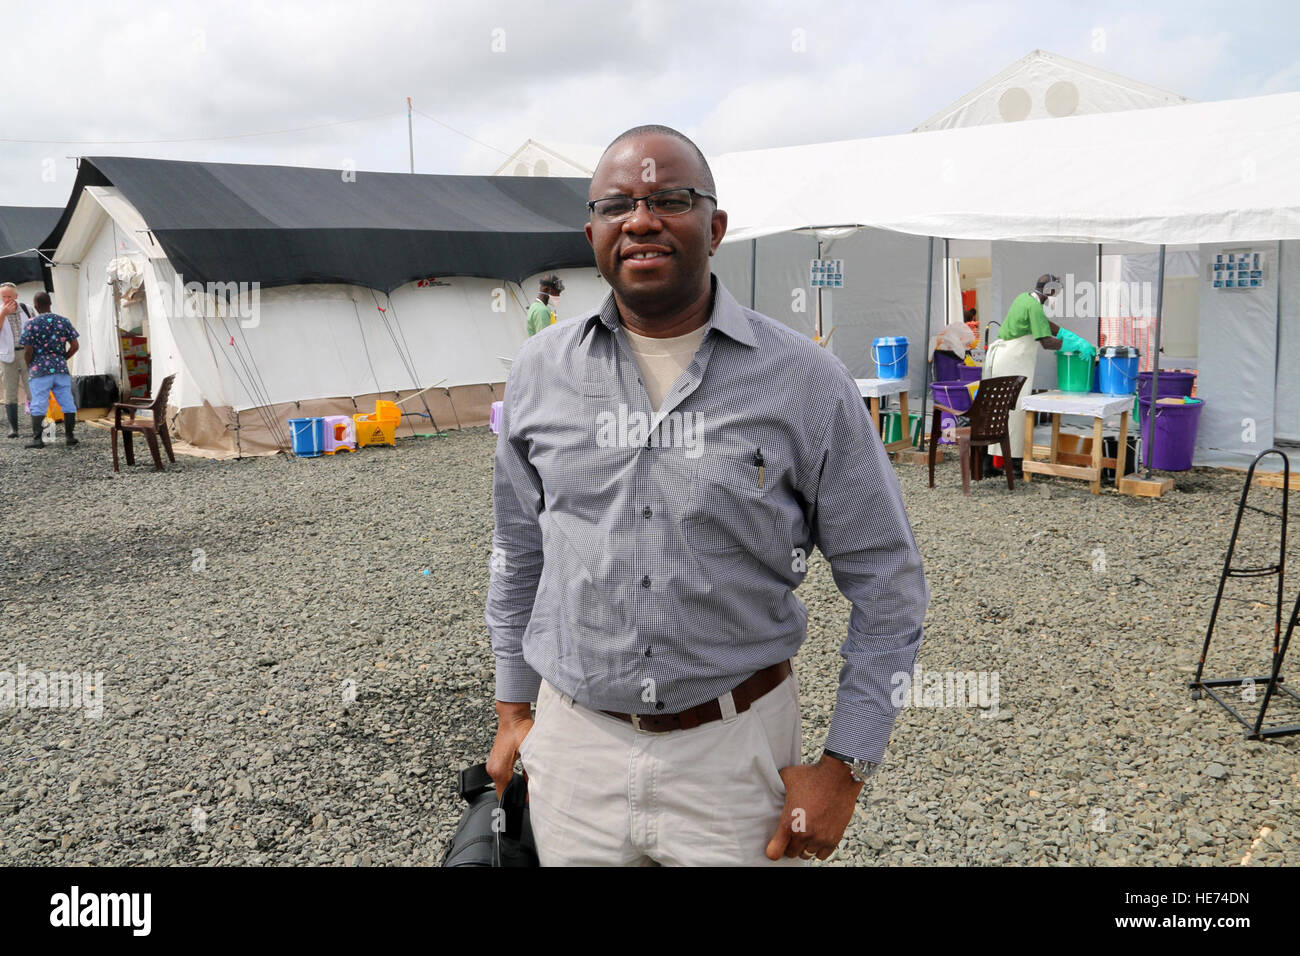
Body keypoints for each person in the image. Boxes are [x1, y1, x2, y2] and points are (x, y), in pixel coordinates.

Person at [485, 125, 929, 866]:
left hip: (737, 758)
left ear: (716, 227)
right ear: (592, 230)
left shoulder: (806, 384)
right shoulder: (539, 371)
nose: (641, 219)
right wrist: (511, 709)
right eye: (618, 204)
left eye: (670, 199)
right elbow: (518, 551)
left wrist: (846, 767)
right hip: (575, 754)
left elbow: (889, 581)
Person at [980, 274, 1064, 478]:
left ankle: (987, 465)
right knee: (1015, 411)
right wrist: (1071, 345)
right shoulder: (1034, 306)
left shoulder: (1023, 298)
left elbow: (1045, 323)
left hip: (1003, 358)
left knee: (996, 410)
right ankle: (1015, 464)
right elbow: (1045, 341)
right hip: (1013, 362)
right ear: (1050, 291)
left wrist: (1065, 333)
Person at [19, 291, 79, 448]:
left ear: (36, 305)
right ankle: (70, 437)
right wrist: (62, 358)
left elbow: (28, 350)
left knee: (38, 403)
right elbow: (75, 346)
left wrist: (29, 364)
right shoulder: (63, 321)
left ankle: (38, 439)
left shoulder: (31, 323)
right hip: (60, 368)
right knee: (67, 401)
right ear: (50, 303)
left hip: (39, 369)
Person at [0, 281, 36, 438]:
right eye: (3, 296)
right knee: (10, 390)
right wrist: (3, 314)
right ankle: (13, 428)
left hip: (27, 353)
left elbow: (36, 328)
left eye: (9, 296)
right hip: (7, 355)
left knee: (33, 389)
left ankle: (37, 425)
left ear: (16, 296)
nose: (6, 299)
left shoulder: (27, 309)